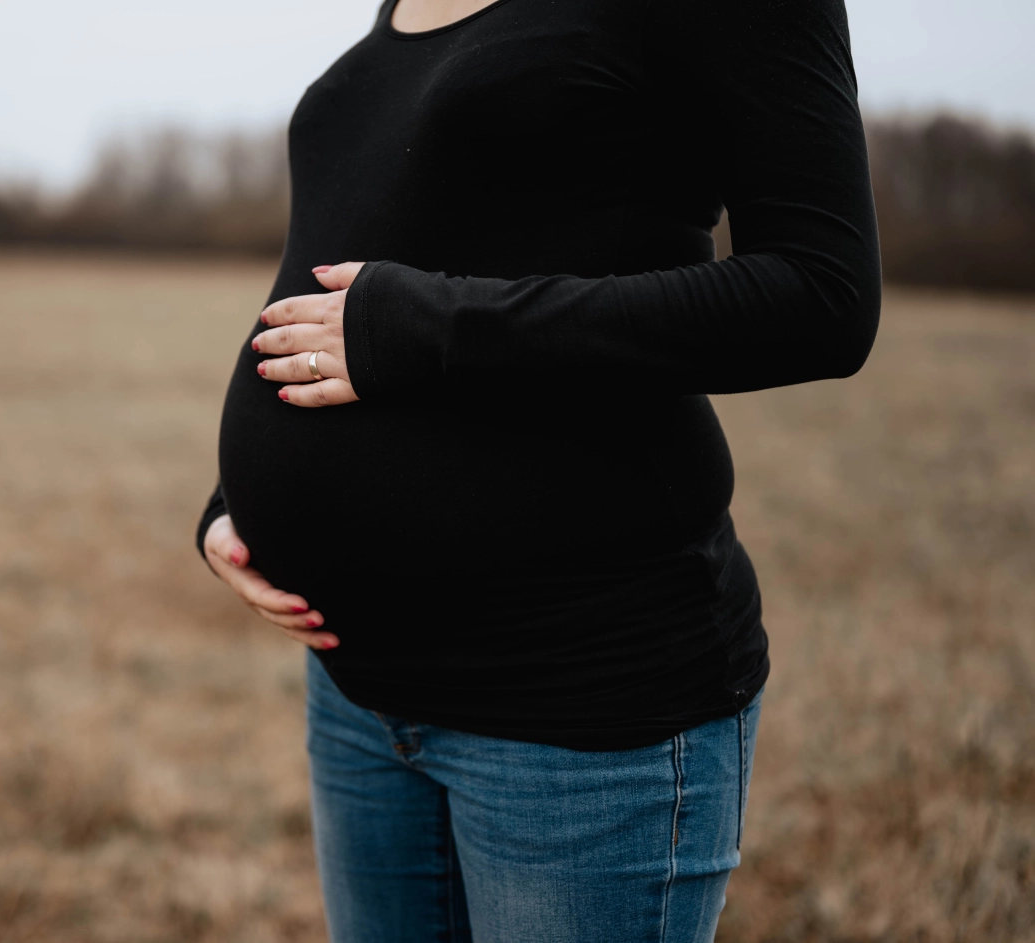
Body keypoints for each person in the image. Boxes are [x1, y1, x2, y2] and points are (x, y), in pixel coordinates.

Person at [196, 0, 880, 938]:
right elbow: (377, 237)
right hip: (360, 691)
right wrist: (244, 498)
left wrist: (426, 328)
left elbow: (821, 294)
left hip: (575, 702)